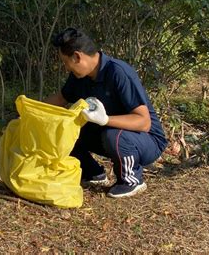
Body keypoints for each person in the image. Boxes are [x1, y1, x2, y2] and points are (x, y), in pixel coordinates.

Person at [45, 27, 167, 198]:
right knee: (63, 127)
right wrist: (28, 114)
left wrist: (105, 119)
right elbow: (60, 100)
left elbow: (144, 122)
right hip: (106, 133)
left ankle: (131, 180)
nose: (66, 68)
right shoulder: (79, 76)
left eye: (66, 62)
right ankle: (93, 173)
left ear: (77, 57)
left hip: (146, 140)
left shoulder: (119, 72)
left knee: (114, 135)